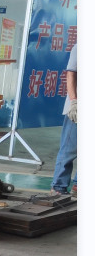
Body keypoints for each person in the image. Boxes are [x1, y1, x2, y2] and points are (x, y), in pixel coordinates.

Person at [51, 43, 77, 196]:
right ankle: (58, 187)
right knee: (69, 149)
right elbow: (71, 74)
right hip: (77, 108)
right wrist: (74, 102)